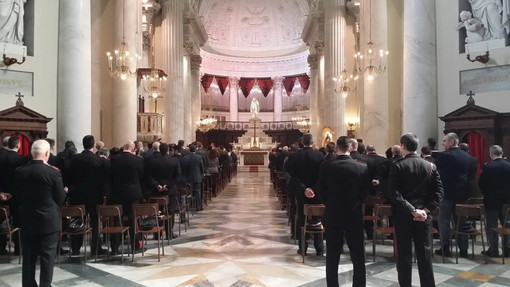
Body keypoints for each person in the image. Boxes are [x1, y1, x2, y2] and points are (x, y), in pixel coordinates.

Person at [389, 133, 444, 287]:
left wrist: (412, 210)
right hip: (424, 217)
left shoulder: (397, 165)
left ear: (403, 146)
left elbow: (394, 194)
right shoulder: (431, 166)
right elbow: (439, 193)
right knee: (425, 255)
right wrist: (425, 210)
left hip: (404, 216)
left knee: (404, 256)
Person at [13, 139, 65, 287]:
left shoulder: (20, 171)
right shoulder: (53, 172)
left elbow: (17, 195)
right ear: (47, 153)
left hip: (28, 219)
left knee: (28, 257)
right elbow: (60, 197)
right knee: (47, 258)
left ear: (31, 153)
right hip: (48, 221)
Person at [318, 136, 368, 287]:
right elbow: (365, 193)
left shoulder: (327, 166)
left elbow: (320, 190)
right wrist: (355, 204)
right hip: (354, 215)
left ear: (337, 148)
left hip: (333, 214)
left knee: (332, 255)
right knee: (358, 255)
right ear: (350, 148)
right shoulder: (361, 167)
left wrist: (330, 204)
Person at [68, 135, 108, 255]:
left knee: (77, 221)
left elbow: (69, 176)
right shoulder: (99, 160)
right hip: (94, 196)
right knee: (95, 223)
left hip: (77, 195)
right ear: (94, 145)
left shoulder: (75, 159)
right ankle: (96, 248)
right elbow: (103, 179)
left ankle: (75, 248)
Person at [434, 132, 472, 257]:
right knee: (462, 221)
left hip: (446, 192)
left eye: (444, 141)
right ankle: (464, 249)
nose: (443, 143)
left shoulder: (445, 155)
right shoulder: (466, 156)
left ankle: (445, 248)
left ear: (451, 142)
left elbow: (435, 171)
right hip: (462, 193)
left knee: (444, 220)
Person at [287, 133, 324, 256]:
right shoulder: (320, 155)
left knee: (302, 219)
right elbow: (321, 176)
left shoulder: (295, 156)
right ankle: (319, 248)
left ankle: (303, 248)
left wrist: (304, 189)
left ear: (302, 142)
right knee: (318, 219)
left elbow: (293, 175)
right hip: (316, 193)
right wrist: (313, 189)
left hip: (301, 193)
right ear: (312, 142)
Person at [109, 141, 144, 254]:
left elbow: (111, 176)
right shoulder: (138, 160)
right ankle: (135, 246)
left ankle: (114, 247)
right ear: (133, 149)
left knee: (117, 220)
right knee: (133, 219)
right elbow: (141, 176)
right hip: (133, 194)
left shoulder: (114, 159)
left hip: (117, 193)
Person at [479, 145, 510, 257]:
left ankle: (494, 250)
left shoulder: (488, 167)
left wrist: (486, 194)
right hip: (507, 201)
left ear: (491, 154)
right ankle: (507, 249)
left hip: (491, 201)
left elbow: (481, 184)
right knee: (506, 225)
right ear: (502, 153)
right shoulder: (509, 166)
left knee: (492, 226)